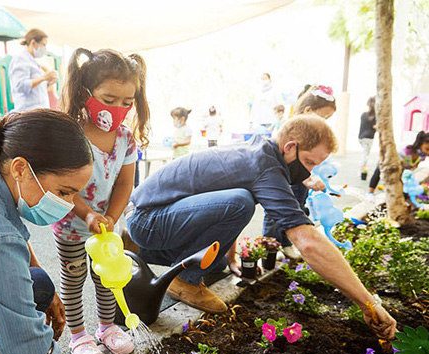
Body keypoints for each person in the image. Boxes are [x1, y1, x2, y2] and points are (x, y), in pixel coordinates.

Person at [125, 115, 397, 342]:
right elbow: (308, 241)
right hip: (149, 218)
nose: (310, 172)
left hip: (156, 211)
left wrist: (229, 257)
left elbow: (214, 197)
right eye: (310, 163)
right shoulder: (266, 168)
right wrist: (368, 302)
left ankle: (142, 247)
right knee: (240, 203)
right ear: (290, 147)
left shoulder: (259, 149)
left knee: (220, 252)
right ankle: (184, 280)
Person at [0, 110, 93, 354]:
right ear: (21, 168)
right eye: (63, 192)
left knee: (39, 285)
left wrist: (45, 287)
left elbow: (13, 237)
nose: (69, 205)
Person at [53, 48, 150, 354]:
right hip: (71, 225)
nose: (118, 109)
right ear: (85, 93)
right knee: (74, 278)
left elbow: (125, 184)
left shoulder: (125, 139)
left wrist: (109, 216)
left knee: (110, 278)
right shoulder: (71, 134)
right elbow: (65, 185)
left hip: (106, 229)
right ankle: (79, 335)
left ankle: (107, 328)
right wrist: (88, 214)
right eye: (109, 100)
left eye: (127, 102)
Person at [262, 85, 336, 259]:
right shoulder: (293, 131)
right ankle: (270, 246)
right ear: (309, 111)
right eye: (324, 117)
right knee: (276, 212)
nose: (325, 122)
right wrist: (308, 177)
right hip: (286, 182)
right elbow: (289, 164)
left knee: (297, 208)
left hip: (301, 181)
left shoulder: (313, 134)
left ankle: (286, 244)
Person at [9, 28, 58, 112]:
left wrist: (48, 82)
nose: (45, 49)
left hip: (39, 111)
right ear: (33, 43)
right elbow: (20, 86)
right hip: (27, 112)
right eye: (43, 44)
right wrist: (44, 78)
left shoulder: (34, 61)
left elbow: (35, 88)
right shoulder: (20, 59)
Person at [368, 131, 429, 196]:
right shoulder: (406, 152)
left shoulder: (422, 156)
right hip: (388, 158)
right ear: (419, 144)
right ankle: (370, 193)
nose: (428, 152)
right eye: (427, 149)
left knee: (398, 182)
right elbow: (393, 169)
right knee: (379, 171)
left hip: (401, 167)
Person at [358, 97, 377, 174]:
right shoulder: (375, 117)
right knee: (365, 155)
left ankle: (362, 170)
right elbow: (376, 127)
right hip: (368, 138)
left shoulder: (363, 115)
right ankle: (361, 171)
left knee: (365, 154)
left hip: (361, 137)